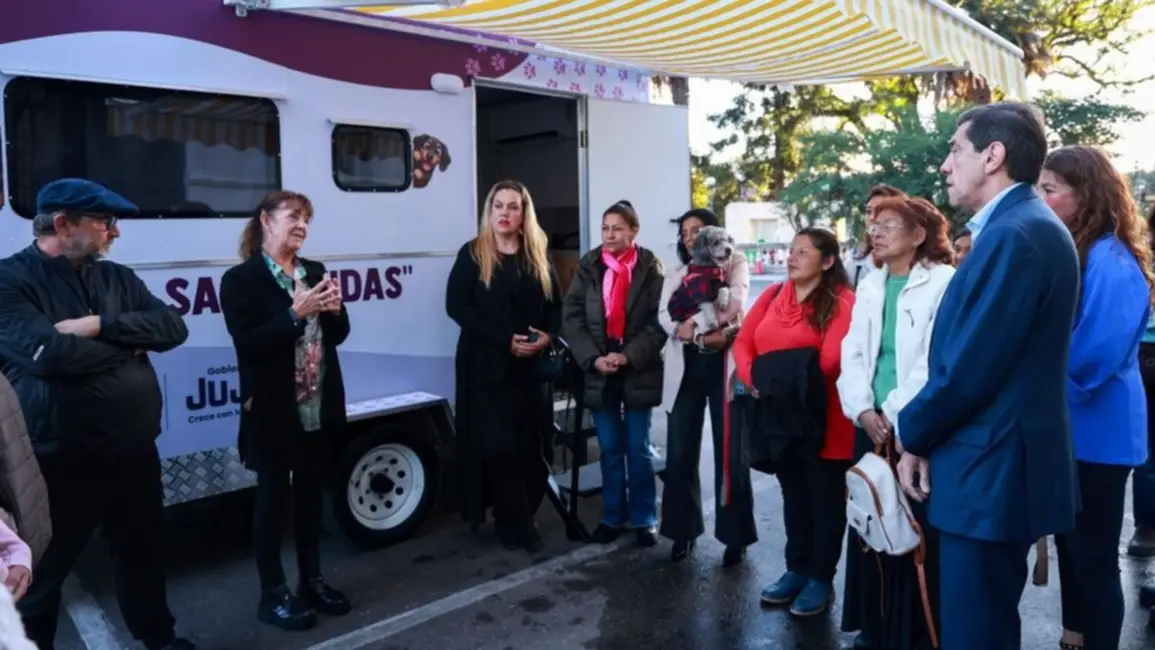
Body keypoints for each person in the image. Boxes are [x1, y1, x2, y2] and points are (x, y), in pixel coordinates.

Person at [894, 102, 1080, 650]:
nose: (945, 165)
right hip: (993, 469)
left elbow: (970, 370)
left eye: (956, 149)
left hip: (990, 472)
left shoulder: (1015, 234)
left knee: (975, 633)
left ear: (993, 155)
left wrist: (911, 433)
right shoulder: (1022, 227)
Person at [0, 178, 193, 650]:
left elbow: (172, 327)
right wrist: (130, 346)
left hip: (133, 451)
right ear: (64, 225)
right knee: (41, 576)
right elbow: (48, 354)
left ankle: (159, 638)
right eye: (105, 222)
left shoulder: (117, 278)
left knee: (142, 554)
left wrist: (99, 324)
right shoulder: (9, 280)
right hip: (61, 459)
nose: (115, 231)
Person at [1038, 145, 1154, 650]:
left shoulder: (1110, 258)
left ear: (1085, 195)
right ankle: (1074, 636)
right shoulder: (1081, 250)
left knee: (1094, 556)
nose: (1040, 199)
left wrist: (1034, 382)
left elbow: (1095, 354)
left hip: (1099, 431)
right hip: (1072, 425)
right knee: (1071, 546)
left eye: (1050, 190)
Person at [220, 191, 352, 632]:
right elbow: (249, 344)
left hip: (317, 404)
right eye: (294, 216)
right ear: (266, 220)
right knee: (272, 501)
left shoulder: (314, 270)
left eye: (307, 219)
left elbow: (338, 335)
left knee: (312, 498)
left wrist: (335, 311)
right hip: (274, 411)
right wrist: (295, 315)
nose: (302, 225)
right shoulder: (240, 280)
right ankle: (272, 594)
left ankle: (312, 581)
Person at [837, 197, 956, 650]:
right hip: (869, 426)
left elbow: (934, 360)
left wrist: (890, 413)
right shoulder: (871, 282)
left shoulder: (943, 281)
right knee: (870, 524)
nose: (876, 233)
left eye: (888, 224)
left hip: (914, 428)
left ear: (919, 234)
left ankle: (915, 635)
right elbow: (853, 353)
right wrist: (862, 410)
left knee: (912, 530)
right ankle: (875, 628)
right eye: (873, 225)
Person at [734, 227, 856, 617]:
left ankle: (820, 577)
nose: (792, 257)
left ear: (828, 261)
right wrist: (755, 379)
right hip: (779, 414)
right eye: (791, 250)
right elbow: (743, 343)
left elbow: (829, 361)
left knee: (824, 499)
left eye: (803, 252)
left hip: (825, 420)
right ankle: (796, 569)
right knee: (794, 495)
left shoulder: (842, 300)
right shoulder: (773, 295)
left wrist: (769, 376)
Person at [445, 180, 560, 553]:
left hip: (530, 371)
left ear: (524, 214)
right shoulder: (473, 253)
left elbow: (555, 307)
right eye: (498, 206)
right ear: (489, 210)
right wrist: (503, 340)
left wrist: (547, 337)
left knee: (533, 449)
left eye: (513, 207)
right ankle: (516, 522)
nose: (504, 213)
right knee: (500, 449)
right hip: (485, 369)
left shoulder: (537, 253)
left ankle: (522, 515)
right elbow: (456, 307)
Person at [562, 200, 667, 547]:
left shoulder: (651, 267)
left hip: (637, 365)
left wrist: (627, 356)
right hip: (599, 367)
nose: (609, 235)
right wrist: (593, 359)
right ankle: (612, 516)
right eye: (605, 228)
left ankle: (644, 517)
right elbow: (572, 317)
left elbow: (659, 322)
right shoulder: (589, 265)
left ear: (633, 231)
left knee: (637, 447)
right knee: (609, 448)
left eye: (617, 228)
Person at [658, 208, 753, 565]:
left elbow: (735, 304)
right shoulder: (676, 272)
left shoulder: (735, 263)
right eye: (684, 232)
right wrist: (689, 331)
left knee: (732, 452)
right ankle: (682, 531)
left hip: (724, 366)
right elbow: (664, 314)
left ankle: (735, 535)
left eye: (696, 230)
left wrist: (694, 325)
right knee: (680, 451)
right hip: (685, 367)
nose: (689, 237)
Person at [847, 185, 907, 288]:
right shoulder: (854, 265)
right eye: (868, 211)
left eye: (881, 211)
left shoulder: (923, 267)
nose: (872, 217)